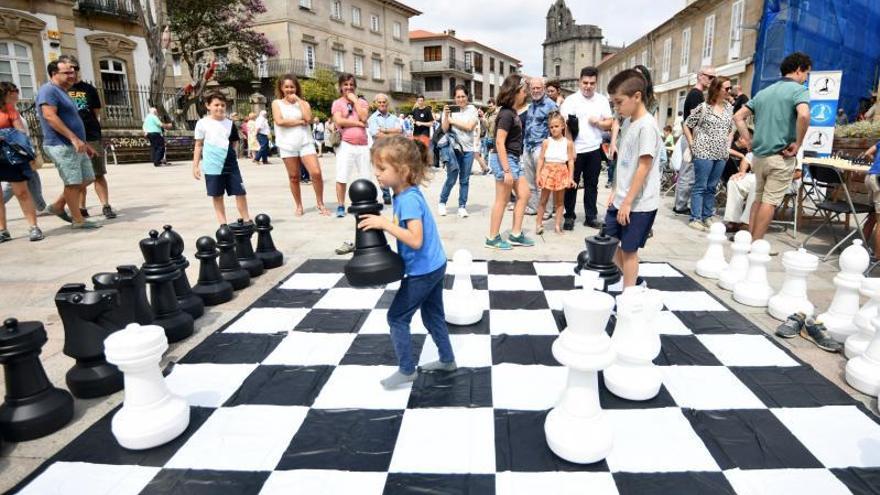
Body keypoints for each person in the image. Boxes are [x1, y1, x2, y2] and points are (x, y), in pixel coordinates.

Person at [356, 136, 456, 389]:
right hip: (434, 264)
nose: (376, 174)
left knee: (397, 318)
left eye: (381, 169)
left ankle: (406, 369)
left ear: (403, 171)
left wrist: (384, 224)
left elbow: (415, 240)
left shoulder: (408, 199)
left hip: (423, 270)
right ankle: (447, 360)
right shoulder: (404, 194)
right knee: (433, 316)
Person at [734, 52, 811, 242]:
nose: (806, 78)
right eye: (807, 73)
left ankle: (748, 242)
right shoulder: (799, 90)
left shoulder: (764, 92)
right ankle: (756, 245)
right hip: (780, 156)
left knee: (757, 199)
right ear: (799, 70)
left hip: (759, 157)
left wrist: (749, 142)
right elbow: (803, 115)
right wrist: (798, 143)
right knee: (769, 202)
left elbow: (738, 117)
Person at [604, 69, 662, 288]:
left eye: (619, 102)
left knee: (629, 251)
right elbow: (624, 164)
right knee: (609, 245)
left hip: (638, 203)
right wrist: (615, 191)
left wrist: (628, 201)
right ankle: (635, 283)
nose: (616, 108)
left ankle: (629, 296)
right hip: (621, 198)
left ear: (637, 96)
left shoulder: (647, 126)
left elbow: (644, 167)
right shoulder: (628, 122)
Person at [37, 58, 101, 229]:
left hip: (75, 144)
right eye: (67, 72)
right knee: (72, 183)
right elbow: (50, 116)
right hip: (61, 144)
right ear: (54, 74)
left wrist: (84, 143)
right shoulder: (48, 91)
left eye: (73, 71)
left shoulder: (63, 91)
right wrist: (73, 138)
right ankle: (78, 220)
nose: (72, 75)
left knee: (88, 178)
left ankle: (58, 206)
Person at [62, 55, 116, 219]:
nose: (72, 72)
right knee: (77, 176)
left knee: (98, 172)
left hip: (91, 134)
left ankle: (105, 205)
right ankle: (81, 207)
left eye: (75, 68)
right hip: (70, 138)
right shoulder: (60, 90)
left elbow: (96, 112)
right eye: (68, 69)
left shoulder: (88, 89)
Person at [560, 66, 613, 230]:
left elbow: (610, 123)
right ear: (579, 82)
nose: (588, 86)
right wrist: (571, 148)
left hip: (594, 149)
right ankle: (569, 215)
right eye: (585, 82)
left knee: (592, 185)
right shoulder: (571, 101)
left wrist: (598, 122)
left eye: (592, 83)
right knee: (571, 185)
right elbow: (565, 126)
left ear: (596, 83)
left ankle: (591, 217)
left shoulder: (602, 100)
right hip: (575, 149)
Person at [486, 74, 534, 249]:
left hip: (513, 159)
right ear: (515, 92)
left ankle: (515, 234)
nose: (526, 94)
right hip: (504, 159)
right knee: (502, 200)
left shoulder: (512, 113)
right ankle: (492, 238)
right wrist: (506, 170)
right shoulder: (506, 114)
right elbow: (499, 141)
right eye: (523, 91)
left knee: (525, 194)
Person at [271, 74, 328, 216]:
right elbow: (280, 121)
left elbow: (308, 118)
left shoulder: (303, 103)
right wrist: (299, 122)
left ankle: (320, 203)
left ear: (296, 87)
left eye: (292, 86)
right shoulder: (276, 103)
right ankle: (299, 205)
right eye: (286, 87)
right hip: (287, 144)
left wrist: (298, 100)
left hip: (305, 142)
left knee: (316, 172)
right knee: (294, 176)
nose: (289, 89)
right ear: (281, 88)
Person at [683, 76, 734, 231]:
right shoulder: (704, 107)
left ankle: (707, 216)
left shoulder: (728, 108)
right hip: (703, 151)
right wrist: (692, 144)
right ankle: (695, 218)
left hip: (720, 153)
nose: (729, 91)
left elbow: (730, 128)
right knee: (701, 186)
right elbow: (687, 124)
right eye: (727, 88)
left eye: (730, 88)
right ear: (717, 89)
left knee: (712, 186)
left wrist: (728, 144)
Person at [192, 92, 251, 225]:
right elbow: (198, 145)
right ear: (208, 106)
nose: (220, 108)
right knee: (217, 195)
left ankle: (247, 219)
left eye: (222, 105)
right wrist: (195, 166)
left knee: (240, 191)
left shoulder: (229, 124)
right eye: (216, 105)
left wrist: (231, 155)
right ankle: (222, 224)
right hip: (212, 164)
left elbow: (234, 142)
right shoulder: (202, 123)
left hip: (230, 164)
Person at [0, 81, 43, 241]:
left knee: (22, 192)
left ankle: (33, 227)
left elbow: (20, 132)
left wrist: (4, 135)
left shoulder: (8, 109)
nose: (15, 93)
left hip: (10, 154)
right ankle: (2, 230)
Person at [673, 66, 716, 216]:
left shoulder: (697, 94)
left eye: (713, 77)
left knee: (688, 172)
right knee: (688, 173)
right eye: (710, 77)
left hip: (692, 137)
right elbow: (695, 120)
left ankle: (680, 204)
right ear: (700, 76)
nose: (712, 80)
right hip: (691, 137)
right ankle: (680, 205)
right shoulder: (696, 94)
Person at [331, 72, 370, 217]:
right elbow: (339, 121)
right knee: (342, 176)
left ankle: (366, 204)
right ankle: (341, 205)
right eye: (345, 84)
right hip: (346, 144)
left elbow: (364, 116)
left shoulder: (362, 102)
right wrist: (359, 123)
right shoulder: (337, 103)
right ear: (341, 87)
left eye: (351, 85)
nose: (349, 87)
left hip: (363, 144)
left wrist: (355, 101)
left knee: (366, 175)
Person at [438, 84, 478, 218]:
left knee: (464, 180)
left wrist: (451, 120)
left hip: (468, 150)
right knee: (451, 178)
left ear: (467, 97)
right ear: (454, 98)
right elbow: (444, 129)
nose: (460, 99)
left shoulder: (472, 109)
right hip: (453, 149)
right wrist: (446, 116)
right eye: (458, 97)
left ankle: (462, 206)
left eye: (463, 96)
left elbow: (469, 126)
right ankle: (442, 202)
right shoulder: (450, 111)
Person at [522, 77, 558, 216]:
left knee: (543, 181)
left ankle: (547, 210)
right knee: (530, 181)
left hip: (541, 148)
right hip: (528, 146)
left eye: (538, 88)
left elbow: (556, 127)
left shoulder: (551, 105)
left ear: (543, 89)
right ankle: (533, 207)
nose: (535, 91)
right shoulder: (531, 105)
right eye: (533, 88)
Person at [535, 111, 575, 235]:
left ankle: (557, 225)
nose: (554, 129)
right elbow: (541, 159)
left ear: (563, 126)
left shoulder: (568, 143)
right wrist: (538, 175)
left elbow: (571, 161)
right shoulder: (546, 142)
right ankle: (538, 223)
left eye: (556, 126)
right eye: (551, 127)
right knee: (543, 200)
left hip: (561, 171)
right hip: (547, 171)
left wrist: (570, 178)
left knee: (559, 202)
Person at [368, 93, 403, 204]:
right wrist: (392, 133)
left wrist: (385, 130)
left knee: (395, 171)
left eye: (384, 102)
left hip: (393, 149)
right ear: (376, 103)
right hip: (379, 149)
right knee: (382, 173)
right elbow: (376, 134)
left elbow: (400, 130)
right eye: (380, 102)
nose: (382, 104)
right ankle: (386, 194)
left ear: (387, 103)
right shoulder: (372, 118)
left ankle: (396, 192)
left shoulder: (394, 117)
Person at [861, 141, 880, 253]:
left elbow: (867, 153)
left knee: (873, 215)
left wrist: (875, 162)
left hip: (870, 177)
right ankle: (878, 258)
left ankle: (860, 248)